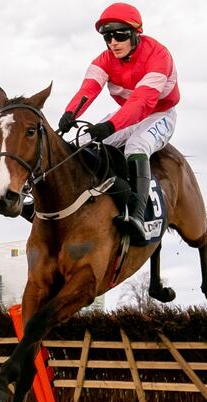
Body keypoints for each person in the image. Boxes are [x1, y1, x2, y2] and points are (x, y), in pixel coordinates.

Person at [57, 2, 179, 239]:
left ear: (136, 35)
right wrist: (70, 113)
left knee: (136, 145)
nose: (113, 43)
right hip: (129, 113)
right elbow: (88, 89)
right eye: (107, 37)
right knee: (82, 141)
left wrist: (110, 126)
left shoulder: (158, 56)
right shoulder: (104, 59)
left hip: (159, 113)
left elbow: (141, 103)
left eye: (120, 36)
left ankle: (138, 214)